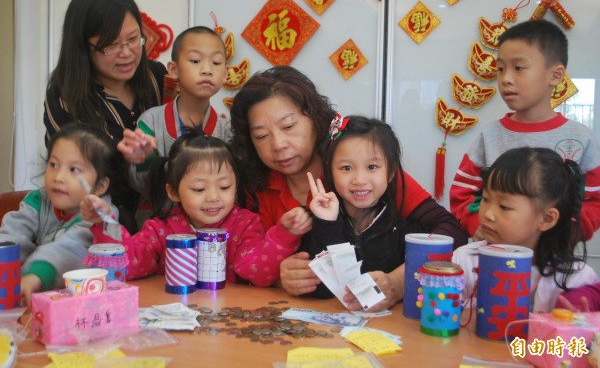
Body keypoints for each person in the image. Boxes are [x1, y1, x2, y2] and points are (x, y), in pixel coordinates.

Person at [229, 66, 468, 305]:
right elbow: (244, 263)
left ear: (315, 119)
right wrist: (281, 277)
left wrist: (398, 281)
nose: (278, 144)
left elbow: (451, 231)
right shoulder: (254, 186)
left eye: (289, 126)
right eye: (261, 136)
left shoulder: (358, 172)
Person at [81, 129, 311, 286]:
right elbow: (128, 264)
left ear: (236, 185)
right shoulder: (162, 228)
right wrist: (104, 222)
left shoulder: (245, 224)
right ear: (173, 192)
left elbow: (256, 272)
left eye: (224, 186)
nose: (213, 197)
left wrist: (284, 234)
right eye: (199, 189)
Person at [450, 19, 600, 241]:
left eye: (519, 68)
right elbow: (462, 193)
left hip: (554, 265)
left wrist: (567, 234)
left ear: (555, 76)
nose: (506, 79)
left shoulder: (580, 138)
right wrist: (475, 225)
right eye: (500, 69)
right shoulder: (490, 137)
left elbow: (594, 202)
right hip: (493, 258)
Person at [43, 0, 167, 232]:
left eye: (134, 39)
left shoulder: (157, 78)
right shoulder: (64, 96)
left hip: (160, 218)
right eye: (110, 45)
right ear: (83, 47)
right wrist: (123, 159)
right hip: (92, 224)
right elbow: (73, 175)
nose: (127, 53)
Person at [305, 115, 431, 311]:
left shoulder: (405, 231)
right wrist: (327, 224)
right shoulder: (321, 222)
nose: (359, 179)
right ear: (330, 173)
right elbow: (321, 291)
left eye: (372, 167)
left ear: (390, 174)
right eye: (346, 168)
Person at [452, 147, 599, 313]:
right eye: (485, 199)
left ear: (547, 219)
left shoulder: (577, 279)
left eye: (504, 206)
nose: (488, 214)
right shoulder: (464, 260)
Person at [0, 123, 118, 305]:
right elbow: (13, 234)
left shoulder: (100, 215)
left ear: (100, 185)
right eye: (53, 164)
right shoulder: (38, 200)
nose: (58, 176)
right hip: (30, 301)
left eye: (73, 169)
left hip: (79, 306)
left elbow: (70, 248)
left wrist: (35, 276)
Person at [117, 26, 229, 198]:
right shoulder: (150, 121)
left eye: (216, 62)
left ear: (225, 74)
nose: (207, 70)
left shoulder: (226, 129)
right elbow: (141, 186)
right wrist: (145, 160)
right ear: (173, 70)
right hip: (159, 221)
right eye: (195, 60)